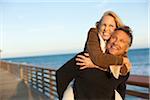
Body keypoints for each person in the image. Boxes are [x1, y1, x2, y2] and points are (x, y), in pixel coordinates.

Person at [56, 11, 132, 100]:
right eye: (114, 38)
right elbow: (61, 75)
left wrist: (95, 65)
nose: (115, 42)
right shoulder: (85, 58)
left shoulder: (123, 68)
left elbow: (121, 88)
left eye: (121, 41)